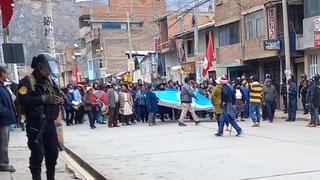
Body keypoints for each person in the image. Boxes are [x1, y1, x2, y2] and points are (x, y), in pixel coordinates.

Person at [18, 53, 64, 179]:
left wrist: (60, 100)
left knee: (53, 153)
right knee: (38, 155)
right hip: (35, 124)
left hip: (49, 123)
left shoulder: (51, 82)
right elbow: (24, 100)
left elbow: (61, 95)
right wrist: (43, 99)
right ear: (40, 67)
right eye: (47, 69)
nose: (49, 72)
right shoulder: (27, 82)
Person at [0, 66, 16, 172]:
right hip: (2, 120)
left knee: (4, 142)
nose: (7, 75)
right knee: (3, 143)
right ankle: (3, 163)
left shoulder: (2, 87)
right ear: (2, 74)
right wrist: (7, 112)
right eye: (6, 73)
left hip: (6, 119)